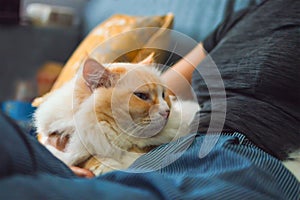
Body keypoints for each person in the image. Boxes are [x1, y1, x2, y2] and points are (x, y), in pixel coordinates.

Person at [0, 0, 299, 199]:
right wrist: (76, 129)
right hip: (171, 146)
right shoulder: (248, 15)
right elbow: (162, 89)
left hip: (240, 152)